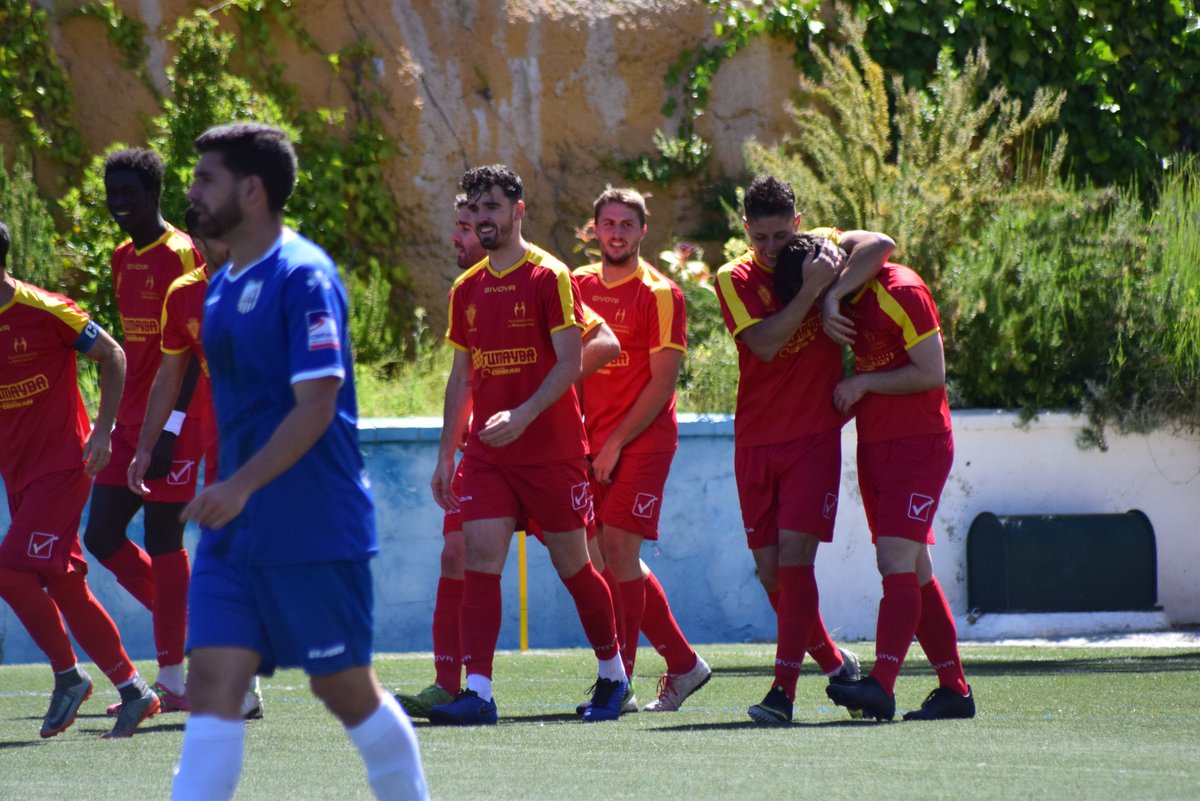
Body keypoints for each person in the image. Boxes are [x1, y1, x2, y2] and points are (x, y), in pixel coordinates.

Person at [171, 123, 427, 800]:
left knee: (344, 689)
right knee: (212, 684)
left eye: (206, 178)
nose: (192, 192)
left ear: (251, 191)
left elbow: (317, 405)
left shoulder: (304, 276)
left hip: (312, 527)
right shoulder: (220, 285)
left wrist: (239, 485)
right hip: (235, 535)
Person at [396, 195, 620, 718]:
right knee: (473, 559)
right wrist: (446, 454)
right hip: (488, 454)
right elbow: (461, 376)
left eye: (490, 210)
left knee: (577, 566)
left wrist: (524, 412)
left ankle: (615, 675)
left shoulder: (550, 276)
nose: (479, 223)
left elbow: (578, 355)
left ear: (518, 210)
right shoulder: (465, 288)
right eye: (472, 214)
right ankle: (476, 692)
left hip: (551, 451)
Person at [713, 175, 894, 725]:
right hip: (755, 442)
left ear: (798, 222)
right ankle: (836, 665)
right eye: (760, 237)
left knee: (796, 563)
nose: (772, 248)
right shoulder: (733, 276)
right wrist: (815, 291)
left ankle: (782, 694)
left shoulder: (818, 248)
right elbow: (765, 345)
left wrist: (834, 290)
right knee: (773, 577)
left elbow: (880, 244)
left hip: (813, 437)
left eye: (781, 234)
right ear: (745, 228)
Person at [0, 220, 162, 739]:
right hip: (19, 473)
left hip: (65, 465)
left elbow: (113, 354)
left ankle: (69, 676)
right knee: (65, 582)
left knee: (9, 570)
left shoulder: (44, 309)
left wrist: (103, 430)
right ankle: (135, 689)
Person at [820, 238, 976, 722]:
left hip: (918, 445)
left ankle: (882, 685)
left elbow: (932, 373)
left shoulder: (902, 290)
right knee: (915, 569)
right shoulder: (846, 293)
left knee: (894, 561)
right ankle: (955, 690)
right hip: (878, 445)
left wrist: (863, 382)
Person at [573, 187, 712, 713]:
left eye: (626, 224)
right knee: (603, 559)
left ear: (643, 231)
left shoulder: (661, 292)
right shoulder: (577, 284)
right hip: (590, 440)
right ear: (595, 231)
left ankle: (621, 683)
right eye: (608, 223)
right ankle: (684, 664)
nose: (616, 233)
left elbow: (662, 384)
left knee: (619, 551)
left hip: (644, 439)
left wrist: (613, 444)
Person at [125, 207, 264, 721]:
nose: (214, 247)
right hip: (223, 443)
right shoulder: (183, 293)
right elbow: (169, 375)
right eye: (206, 239)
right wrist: (146, 445)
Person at [82, 147, 206, 711]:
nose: (119, 204)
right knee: (102, 536)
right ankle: (198, 628)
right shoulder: (119, 256)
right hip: (131, 420)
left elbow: (189, 352)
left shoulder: (181, 252)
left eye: (129, 193)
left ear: (153, 193)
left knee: (163, 539)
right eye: (113, 195)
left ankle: (174, 678)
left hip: (175, 421)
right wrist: (110, 424)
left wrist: (172, 428)